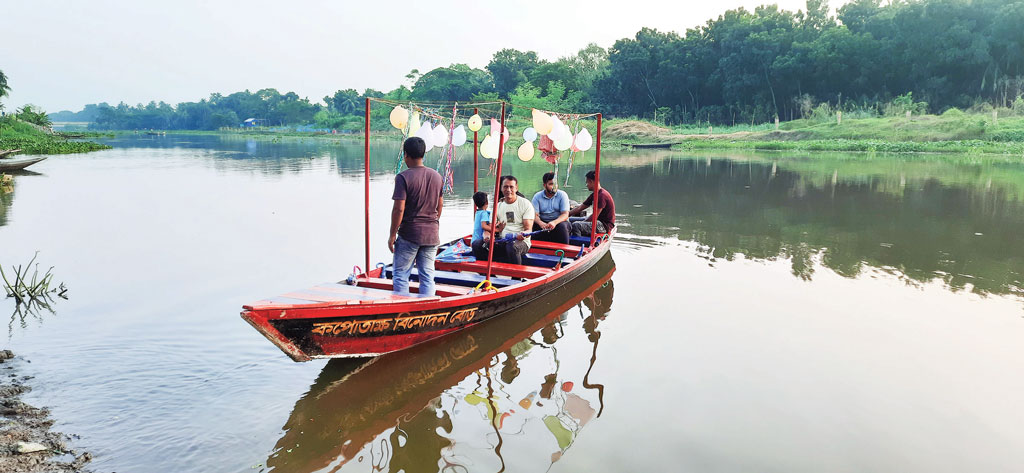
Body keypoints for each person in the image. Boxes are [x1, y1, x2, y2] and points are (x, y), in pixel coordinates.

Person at [389, 137, 443, 296]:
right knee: (427, 276)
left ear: (406, 155)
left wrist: (392, 234)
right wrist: (433, 222)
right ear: (423, 154)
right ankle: (428, 309)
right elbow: (440, 206)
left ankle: (401, 312)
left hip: (410, 234)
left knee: (400, 274)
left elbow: (399, 209)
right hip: (432, 235)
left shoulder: (403, 177)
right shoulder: (437, 176)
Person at [473, 175, 534, 265]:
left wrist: (523, 235)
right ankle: (486, 274)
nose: (508, 190)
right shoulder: (498, 206)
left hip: (521, 242)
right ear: (501, 188)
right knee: (476, 244)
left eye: (511, 187)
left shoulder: (525, 204)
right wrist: (487, 237)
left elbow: (528, 229)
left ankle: (516, 278)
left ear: (516, 188)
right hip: (502, 240)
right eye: (505, 187)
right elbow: (488, 229)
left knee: (512, 246)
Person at [569, 170, 615, 237]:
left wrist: (583, 223)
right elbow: (580, 208)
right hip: (598, 221)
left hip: (604, 225)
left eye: (587, 183)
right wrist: (566, 215)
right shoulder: (594, 194)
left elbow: (594, 216)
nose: (586, 185)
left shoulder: (602, 195)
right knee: (571, 220)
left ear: (591, 181)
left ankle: (578, 243)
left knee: (576, 225)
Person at [531, 171, 571, 244]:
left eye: (555, 184)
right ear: (544, 185)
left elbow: (565, 214)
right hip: (543, 222)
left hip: (559, 222)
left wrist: (554, 222)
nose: (554, 187)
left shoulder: (562, 195)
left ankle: (564, 251)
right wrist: (541, 223)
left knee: (561, 227)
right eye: (551, 184)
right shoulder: (537, 196)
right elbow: (534, 215)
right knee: (531, 224)